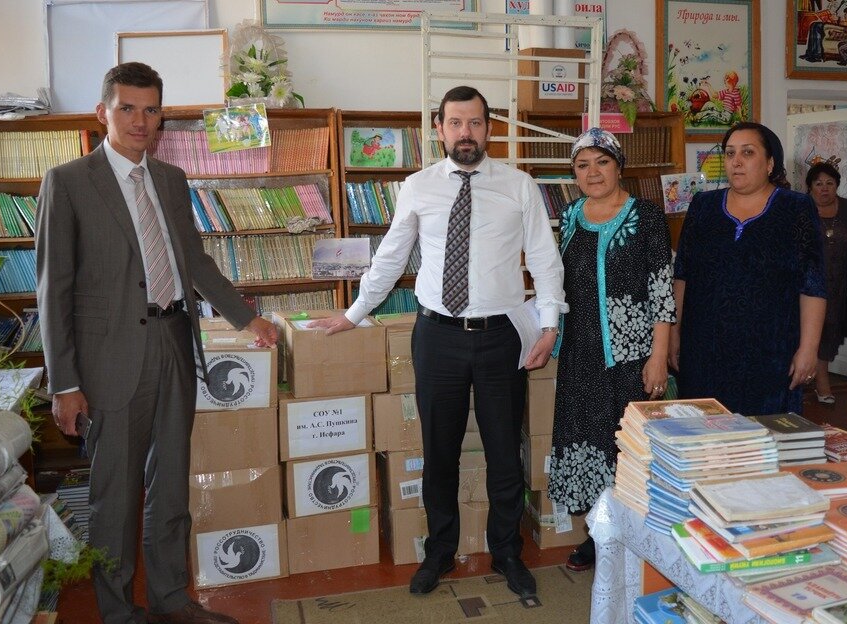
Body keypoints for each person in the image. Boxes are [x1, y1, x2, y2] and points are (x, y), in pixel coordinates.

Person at [36, 62, 278, 624]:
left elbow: (194, 261)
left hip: (174, 341)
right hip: (109, 361)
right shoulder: (68, 182)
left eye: (150, 110)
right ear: (102, 113)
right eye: (127, 108)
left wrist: (247, 319)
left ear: (161, 116)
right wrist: (65, 383)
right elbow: (53, 290)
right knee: (116, 496)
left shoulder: (170, 178)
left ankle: (172, 598)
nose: (139, 121)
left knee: (171, 486)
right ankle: (119, 612)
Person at [310, 85, 565, 598]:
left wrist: (549, 325)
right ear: (439, 129)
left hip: (501, 338)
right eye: (455, 123)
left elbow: (544, 258)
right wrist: (355, 313)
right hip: (437, 337)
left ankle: (507, 552)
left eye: (475, 123)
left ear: (489, 128)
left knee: (504, 453)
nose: (465, 133)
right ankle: (440, 551)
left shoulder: (519, 186)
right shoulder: (417, 187)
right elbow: (391, 256)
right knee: (440, 452)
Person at [548, 128, 675, 572]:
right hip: (580, 353)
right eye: (582, 165)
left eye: (601, 162)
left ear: (619, 166)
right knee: (585, 441)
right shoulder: (569, 216)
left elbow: (661, 290)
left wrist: (658, 356)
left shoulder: (647, 215)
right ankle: (597, 535)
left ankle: (633, 538)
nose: (593, 172)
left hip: (630, 355)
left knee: (626, 445)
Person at [669, 122, 827, 416]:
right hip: (703, 350)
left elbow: (813, 284)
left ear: (770, 163)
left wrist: (809, 348)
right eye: (730, 153)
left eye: (748, 152)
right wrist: (674, 333)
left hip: (770, 354)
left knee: (764, 436)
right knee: (702, 432)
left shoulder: (795, 209)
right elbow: (682, 274)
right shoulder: (703, 206)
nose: (736, 161)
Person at [806, 162, 847, 403]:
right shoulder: (800, 208)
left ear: (837, 186)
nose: (824, 188)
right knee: (805, 330)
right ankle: (807, 377)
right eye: (818, 184)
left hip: (836, 284)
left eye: (829, 183)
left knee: (830, 329)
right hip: (805, 284)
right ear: (810, 187)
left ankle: (820, 377)